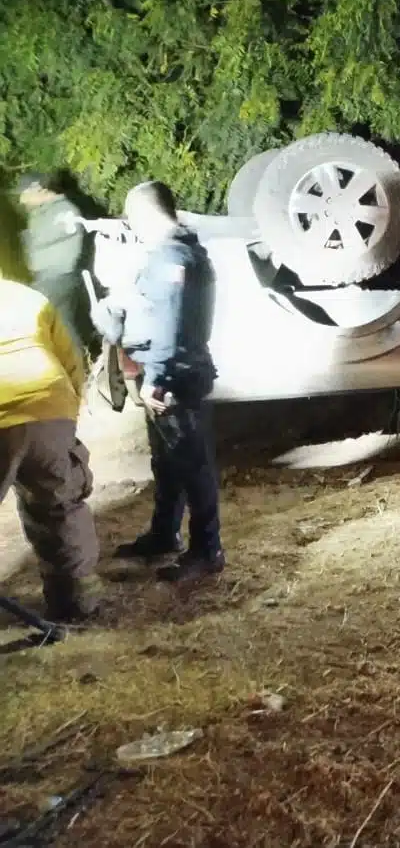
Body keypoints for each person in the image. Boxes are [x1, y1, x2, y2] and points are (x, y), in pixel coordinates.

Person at [92, 181, 224, 582]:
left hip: (175, 377)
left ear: (146, 215)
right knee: (167, 463)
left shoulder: (172, 256)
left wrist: (157, 378)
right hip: (171, 369)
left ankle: (207, 551)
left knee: (191, 464)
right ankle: (164, 535)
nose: (133, 228)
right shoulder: (180, 251)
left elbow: (169, 322)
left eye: (133, 219)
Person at [0, 274, 101, 622]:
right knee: (60, 505)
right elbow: (70, 356)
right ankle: (78, 601)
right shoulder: (27, 297)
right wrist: (68, 414)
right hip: (50, 405)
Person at [15, 174, 90, 357]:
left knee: (62, 328)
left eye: (24, 196)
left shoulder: (65, 210)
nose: (23, 202)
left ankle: (79, 370)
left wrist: (21, 242)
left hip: (60, 278)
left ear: (37, 189)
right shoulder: (41, 212)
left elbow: (40, 239)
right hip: (44, 278)